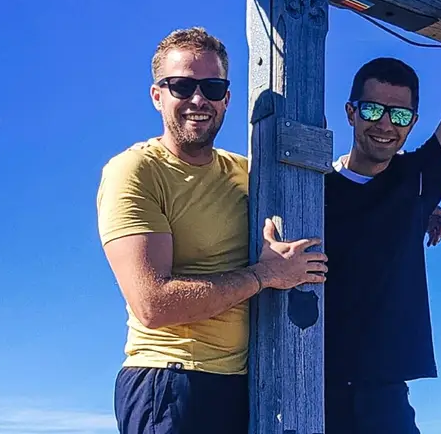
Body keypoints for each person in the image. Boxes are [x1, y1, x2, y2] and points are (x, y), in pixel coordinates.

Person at [96, 27, 327, 434]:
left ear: (227, 98)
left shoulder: (246, 173)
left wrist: (428, 205)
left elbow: (332, 186)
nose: (198, 99)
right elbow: (153, 304)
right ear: (157, 95)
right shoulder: (136, 171)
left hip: (244, 385)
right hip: (170, 381)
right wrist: (265, 275)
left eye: (212, 87)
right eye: (182, 86)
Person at [323, 0, 441, 434]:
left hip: (385, 397)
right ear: (351, 112)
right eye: (373, 110)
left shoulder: (417, 180)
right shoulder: (308, 186)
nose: (385, 124)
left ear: (413, 122)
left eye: (399, 115)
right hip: (308, 385)